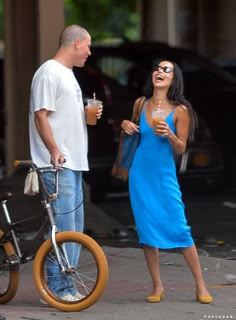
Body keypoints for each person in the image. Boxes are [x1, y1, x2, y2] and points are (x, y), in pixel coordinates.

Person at [121, 60, 213, 304]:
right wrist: (126, 125)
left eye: (166, 69)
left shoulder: (180, 110)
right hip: (140, 175)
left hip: (164, 175)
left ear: (174, 79)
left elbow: (182, 148)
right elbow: (134, 133)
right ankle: (157, 285)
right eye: (156, 68)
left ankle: (200, 284)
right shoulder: (140, 104)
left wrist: (170, 134)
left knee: (180, 227)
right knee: (147, 230)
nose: (159, 72)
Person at [29, 25, 102, 302]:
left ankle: (66, 286)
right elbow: (40, 116)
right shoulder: (49, 72)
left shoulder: (68, 75)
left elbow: (59, 116)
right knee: (63, 228)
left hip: (72, 164)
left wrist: (85, 113)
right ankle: (57, 289)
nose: (90, 52)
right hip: (57, 164)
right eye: (88, 46)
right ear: (76, 43)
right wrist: (54, 149)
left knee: (73, 229)